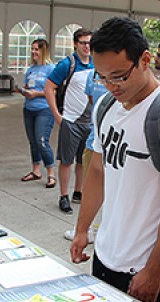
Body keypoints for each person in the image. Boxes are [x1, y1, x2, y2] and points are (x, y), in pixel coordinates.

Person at [70, 17, 160, 302]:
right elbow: (98, 172)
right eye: (102, 77)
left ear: (145, 60)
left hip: (147, 268)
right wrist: (82, 230)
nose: (110, 86)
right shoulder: (106, 108)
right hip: (105, 256)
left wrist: (154, 269)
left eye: (118, 76)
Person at [45, 28, 94, 214]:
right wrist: (57, 115)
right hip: (71, 120)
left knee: (83, 160)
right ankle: (63, 196)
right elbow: (49, 87)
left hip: (89, 122)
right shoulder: (67, 64)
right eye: (83, 43)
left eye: (90, 43)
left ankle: (78, 191)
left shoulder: (95, 63)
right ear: (75, 44)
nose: (87, 46)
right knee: (66, 160)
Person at [64, 69, 108, 243]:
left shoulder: (116, 75)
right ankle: (86, 228)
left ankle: (100, 230)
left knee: (108, 190)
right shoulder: (92, 76)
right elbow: (92, 101)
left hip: (110, 143)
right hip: (94, 140)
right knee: (91, 185)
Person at [15, 39, 56, 188]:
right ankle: (36, 170)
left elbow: (54, 91)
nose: (33, 52)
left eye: (36, 49)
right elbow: (27, 86)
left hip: (44, 109)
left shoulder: (51, 69)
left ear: (43, 51)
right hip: (29, 109)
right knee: (33, 142)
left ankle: (51, 173)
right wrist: (22, 90)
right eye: (32, 49)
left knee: (41, 140)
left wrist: (37, 94)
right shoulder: (31, 69)